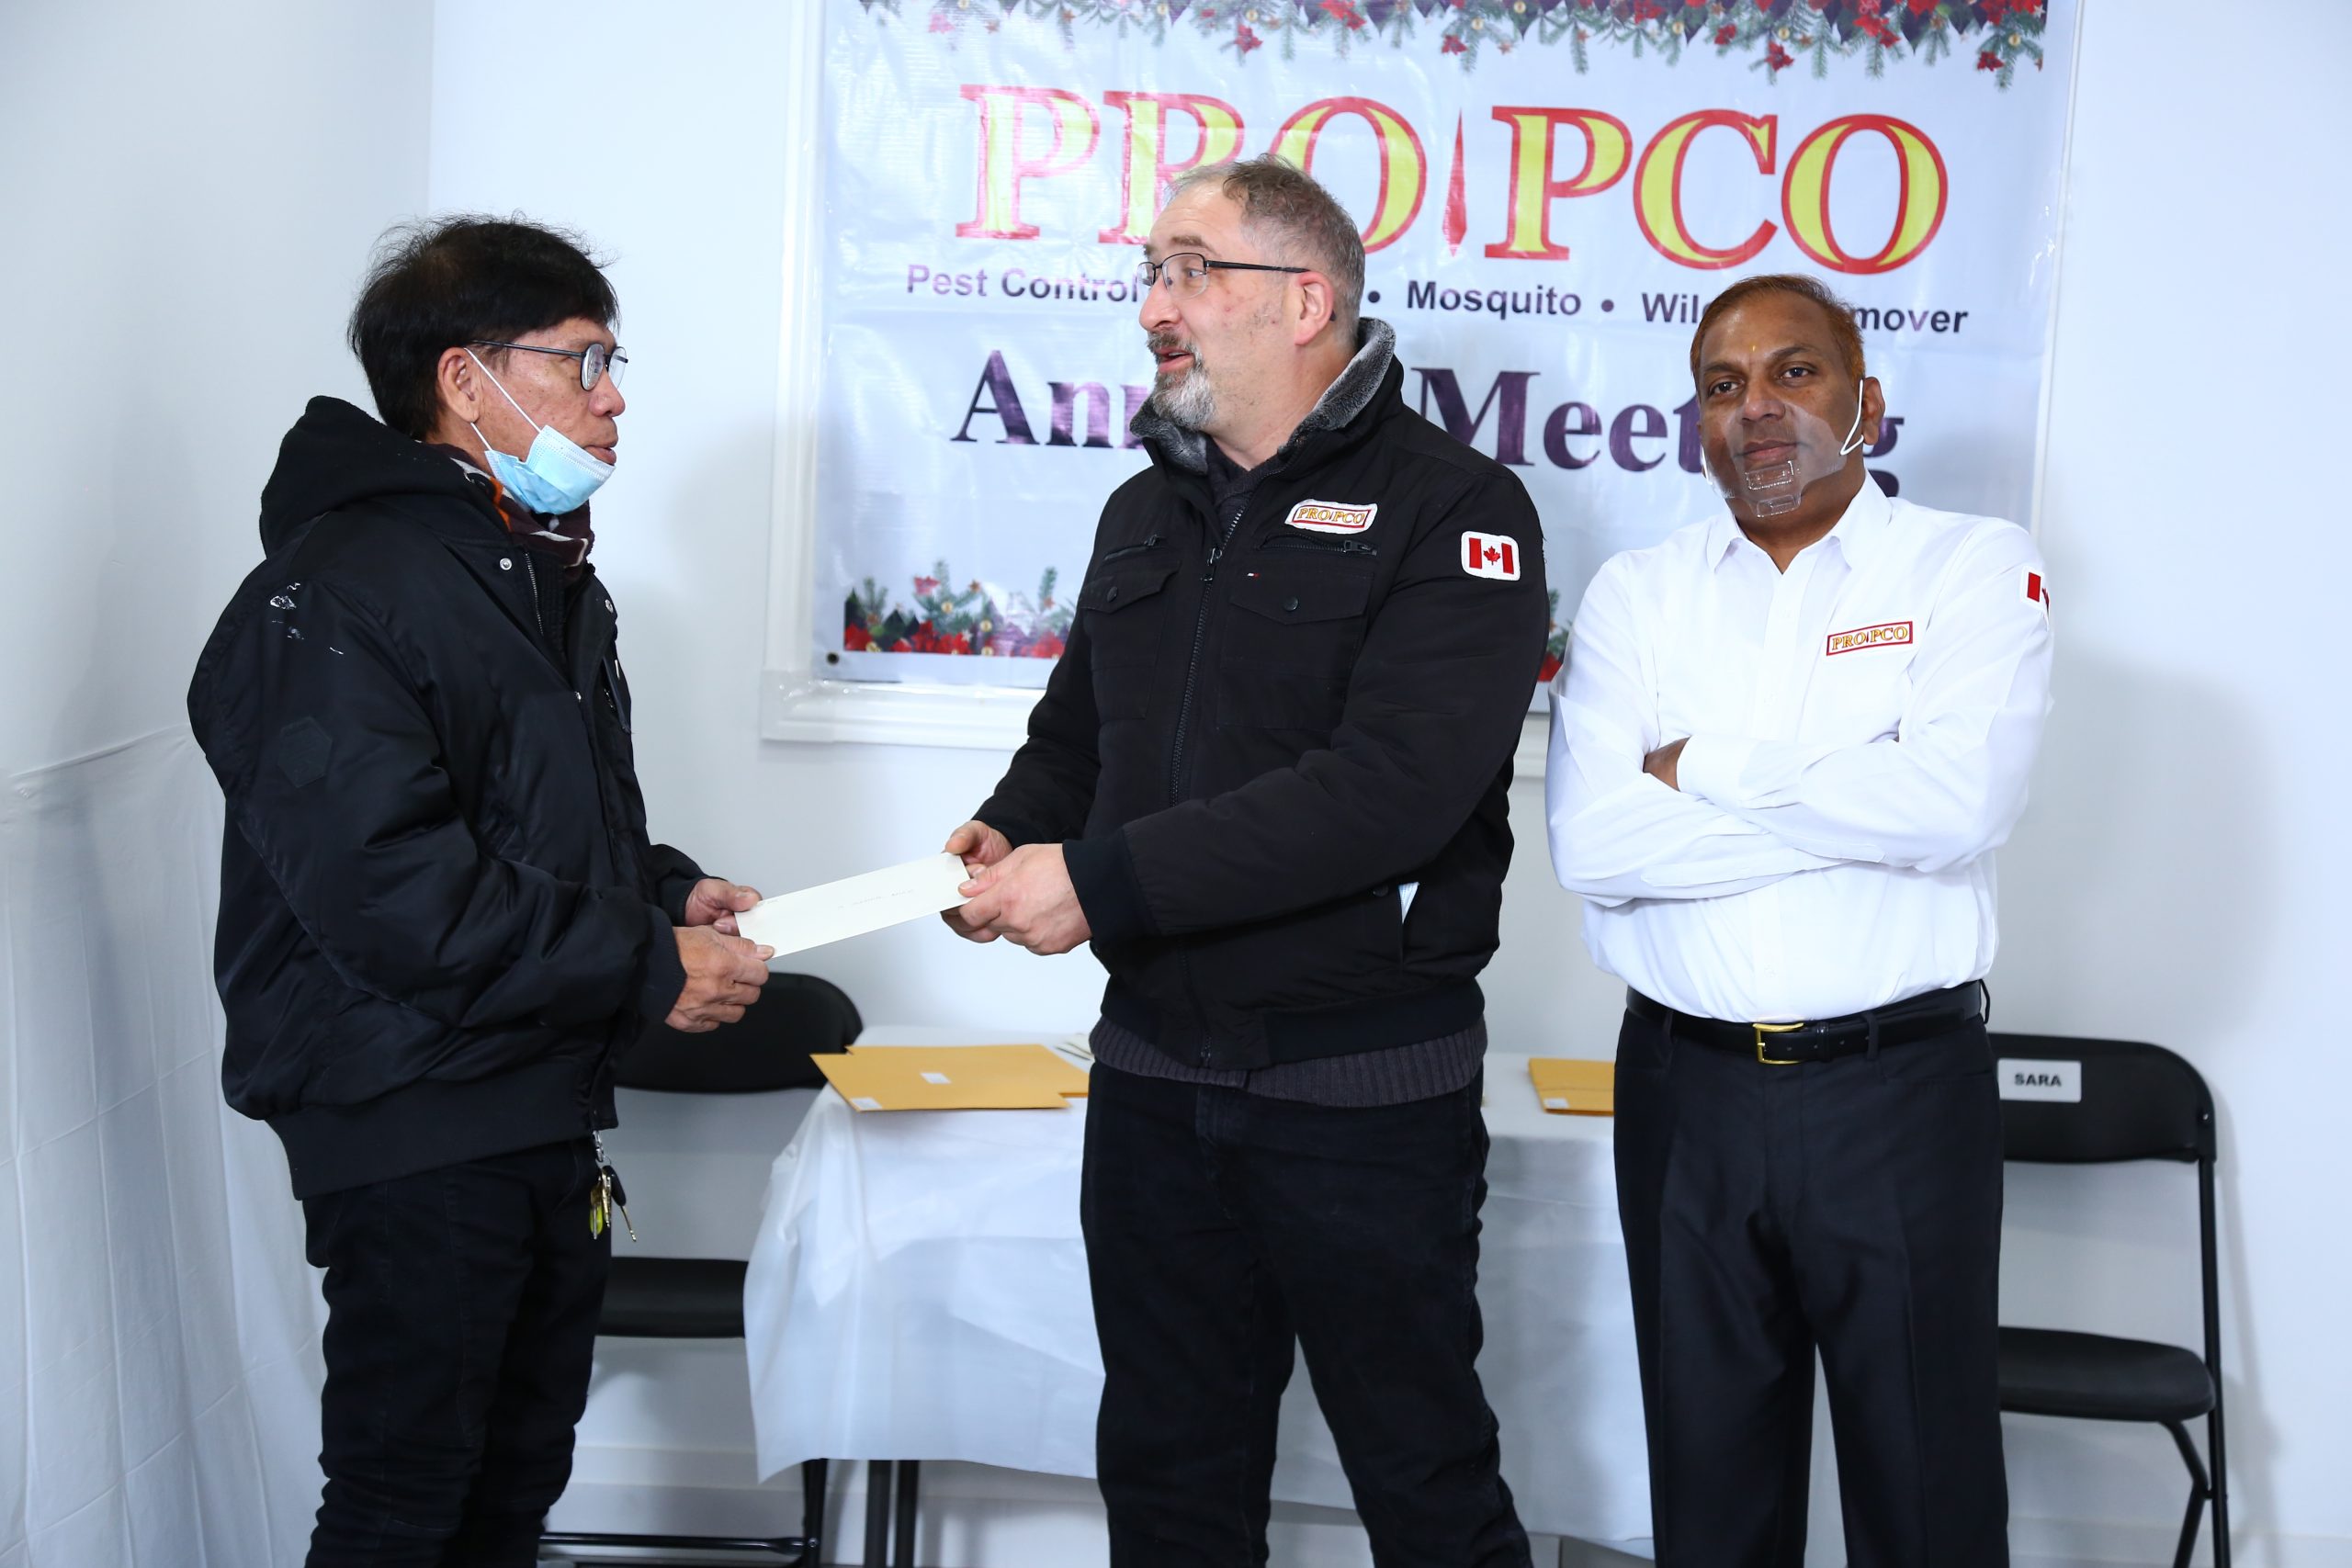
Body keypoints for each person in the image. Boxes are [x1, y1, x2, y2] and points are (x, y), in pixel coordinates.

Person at [940, 156, 1545, 1565]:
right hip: (1154, 1085)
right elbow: (1076, 740)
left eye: (1191, 270)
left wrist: (1099, 884)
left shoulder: (1457, 508)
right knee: (1169, 1491)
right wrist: (1011, 828)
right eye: (1151, 273)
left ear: (1307, 301)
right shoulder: (1141, 510)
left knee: (1425, 1485)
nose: (1156, 305)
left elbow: (1388, 797)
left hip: (1362, 1097)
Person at [187, 216, 775, 1567]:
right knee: (407, 1504)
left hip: (533, 1093)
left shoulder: (536, 570)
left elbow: (533, 823)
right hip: (412, 1109)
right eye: (581, 362)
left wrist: (666, 896)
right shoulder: (336, 591)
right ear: (465, 379)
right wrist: (645, 963)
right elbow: (392, 889)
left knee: (511, 1492)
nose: (613, 399)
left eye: (613, 364)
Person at [1546, 273, 2053, 1564]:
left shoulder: (1970, 565)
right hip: (1686, 1095)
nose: (1757, 407)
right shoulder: (1639, 594)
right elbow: (1595, 845)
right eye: (1723, 386)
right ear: (1698, 424)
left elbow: (1955, 805)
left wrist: (1702, 766)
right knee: (1711, 1506)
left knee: (1927, 1502)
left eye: (1794, 371)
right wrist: (1857, 795)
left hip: (1899, 1096)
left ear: (1865, 402)